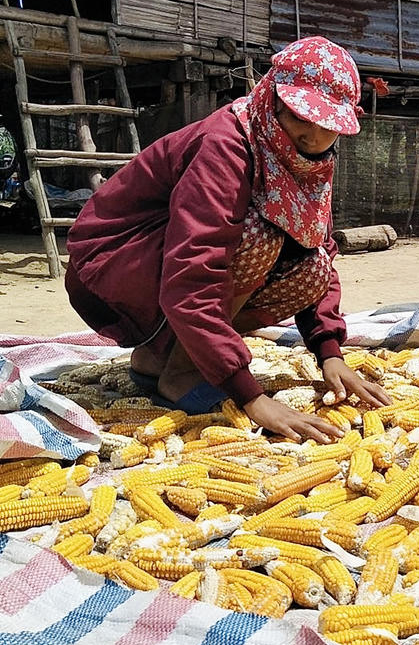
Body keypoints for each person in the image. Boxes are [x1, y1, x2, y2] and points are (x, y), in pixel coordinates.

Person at [65, 36, 389, 443]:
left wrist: (329, 351)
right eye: (300, 116)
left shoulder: (308, 160)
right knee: (260, 235)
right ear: (273, 97)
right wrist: (249, 395)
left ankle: (156, 358)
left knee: (314, 268)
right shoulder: (227, 144)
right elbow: (194, 268)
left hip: (166, 270)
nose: (312, 135)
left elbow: (316, 247)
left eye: (327, 126)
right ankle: (183, 373)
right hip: (114, 262)